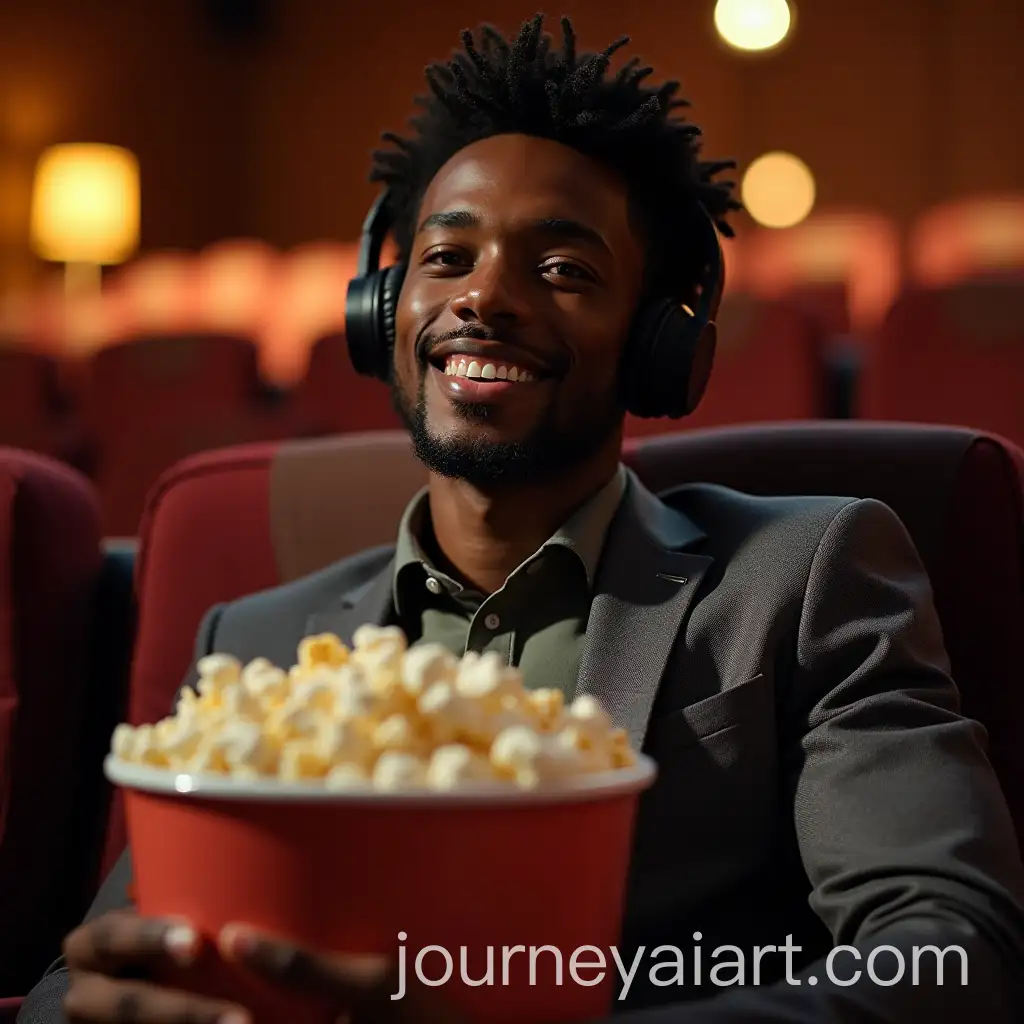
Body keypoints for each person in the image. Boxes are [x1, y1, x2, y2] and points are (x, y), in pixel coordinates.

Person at [22, 14, 1024, 1024]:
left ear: (656, 345)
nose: (485, 297)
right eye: (447, 257)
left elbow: (945, 960)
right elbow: (88, 978)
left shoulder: (804, 576)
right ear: (383, 310)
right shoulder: (254, 644)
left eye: (562, 270)